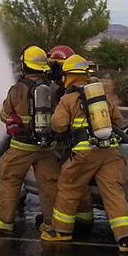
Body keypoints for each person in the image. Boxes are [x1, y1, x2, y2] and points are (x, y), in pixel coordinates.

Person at [41, 55, 128, 253]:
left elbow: (59, 125)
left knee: (69, 187)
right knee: (114, 193)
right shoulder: (102, 97)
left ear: (69, 76)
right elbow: (118, 120)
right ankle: (124, 238)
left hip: (84, 152)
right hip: (110, 151)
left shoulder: (68, 99)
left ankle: (61, 232)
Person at [0, 46, 61, 234]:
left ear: (25, 66)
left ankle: (4, 221)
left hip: (21, 146)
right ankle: (51, 224)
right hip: (47, 147)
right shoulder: (53, 88)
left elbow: (4, 115)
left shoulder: (18, 89)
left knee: (9, 179)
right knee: (50, 184)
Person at [46, 45, 94, 230]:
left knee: (66, 183)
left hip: (67, 142)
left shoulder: (60, 90)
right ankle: (84, 216)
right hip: (83, 142)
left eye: (53, 64)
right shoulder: (89, 87)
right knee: (79, 182)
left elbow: (57, 121)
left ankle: (62, 225)